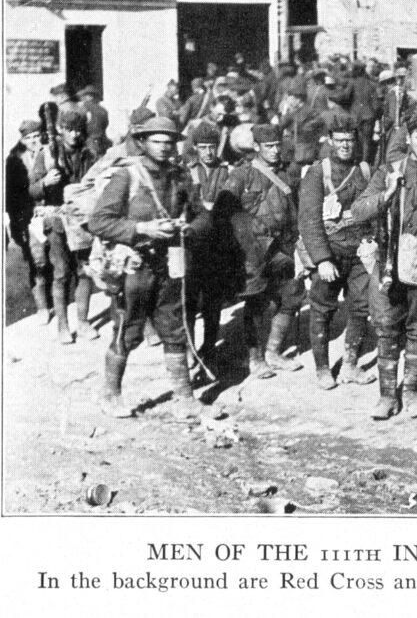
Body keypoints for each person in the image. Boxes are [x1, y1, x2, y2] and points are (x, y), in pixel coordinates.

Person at [88, 116, 199, 419]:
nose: (164, 147)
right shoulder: (128, 177)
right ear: (143, 142)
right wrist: (143, 229)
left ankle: (184, 397)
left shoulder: (178, 176)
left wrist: (187, 227)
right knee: (129, 330)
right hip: (135, 267)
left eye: (169, 141)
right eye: (157, 141)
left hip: (170, 264)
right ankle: (110, 395)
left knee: (175, 329)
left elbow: (200, 215)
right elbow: (98, 221)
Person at [351, 110, 417, 420]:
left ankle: (410, 391)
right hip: (390, 262)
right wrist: (388, 192)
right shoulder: (389, 170)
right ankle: (386, 396)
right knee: (386, 328)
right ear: (408, 138)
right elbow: (358, 211)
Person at [298, 114, 376, 390]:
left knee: (360, 306)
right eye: (340, 140)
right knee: (322, 309)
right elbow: (309, 220)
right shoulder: (318, 173)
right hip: (330, 252)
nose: (345, 146)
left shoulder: (364, 170)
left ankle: (351, 365)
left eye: (350, 140)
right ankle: (322, 368)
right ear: (330, 141)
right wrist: (322, 260)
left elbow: (374, 208)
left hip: (359, 252)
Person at [222, 124, 305, 379]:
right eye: (268, 146)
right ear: (256, 147)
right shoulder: (242, 175)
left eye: (277, 145)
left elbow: (296, 208)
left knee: (292, 295)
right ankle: (254, 358)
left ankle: (273, 352)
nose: (274, 150)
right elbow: (225, 210)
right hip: (254, 250)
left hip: (282, 246)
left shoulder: (287, 172)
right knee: (256, 302)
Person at [29, 108, 101, 343]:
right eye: (69, 130)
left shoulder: (88, 154)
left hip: (81, 217)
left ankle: (83, 322)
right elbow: (31, 189)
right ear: (59, 129)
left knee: (85, 271)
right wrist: (44, 182)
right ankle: (62, 325)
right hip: (57, 219)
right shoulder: (47, 154)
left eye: (78, 130)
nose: (74, 135)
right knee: (61, 273)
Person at [183, 120, 237, 366]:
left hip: (218, 243)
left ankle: (210, 345)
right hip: (192, 243)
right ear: (195, 147)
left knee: (213, 300)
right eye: (203, 147)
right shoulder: (187, 171)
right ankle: (189, 347)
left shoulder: (227, 171)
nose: (208, 152)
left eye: (212, 147)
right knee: (190, 298)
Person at [6, 119, 49, 321]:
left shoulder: (49, 152)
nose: (33, 141)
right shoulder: (15, 161)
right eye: (28, 138)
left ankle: (57, 301)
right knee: (37, 262)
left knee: (56, 260)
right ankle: (42, 307)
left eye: (36, 136)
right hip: (29, 218)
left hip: (50, 213)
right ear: (23, 140)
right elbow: (13, 194)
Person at [77, 85, 111, 156]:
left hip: (89, 142)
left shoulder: (84, 108)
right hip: (103, 141)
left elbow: (79, 125)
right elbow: (106, 124)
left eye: (86, 96)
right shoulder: (104, 110)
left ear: (90, 96)